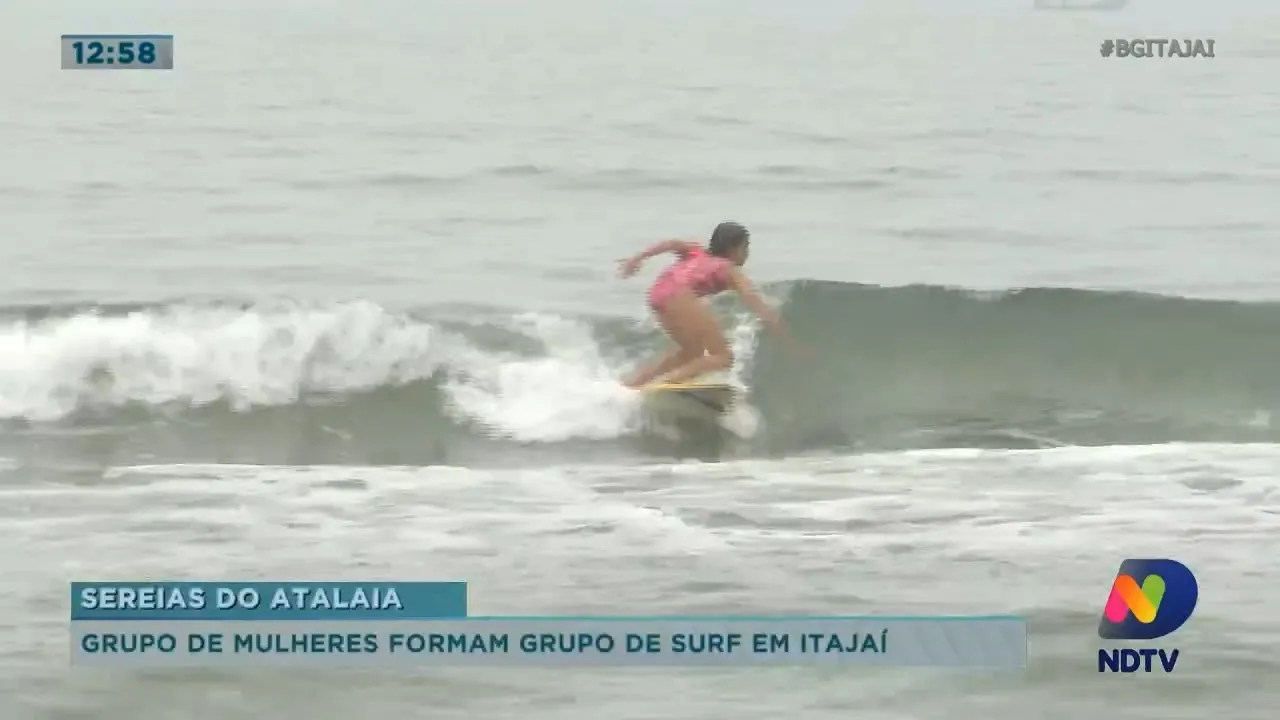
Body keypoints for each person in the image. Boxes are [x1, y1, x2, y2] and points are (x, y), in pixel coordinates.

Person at [617, 221, 800, 389]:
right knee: (723, 358)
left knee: (690, 353)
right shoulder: (728, 269)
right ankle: (663, 384)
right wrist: (787, 339)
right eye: (746, 247)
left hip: (657, 294)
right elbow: (758, 305)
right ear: (733, 249)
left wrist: (638, 258)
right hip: (679, 296)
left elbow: (671, 243)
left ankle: (633, 385)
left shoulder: (695, 251)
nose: (747, 253)